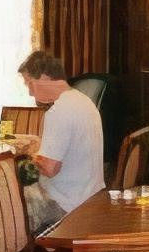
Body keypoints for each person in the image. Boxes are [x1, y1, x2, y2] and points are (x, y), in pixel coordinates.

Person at [18, 51, 103, 232]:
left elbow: (50, 168)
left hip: (65, 204)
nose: (29, 91)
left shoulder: (59, 111)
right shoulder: (84, 101)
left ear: (43, 77)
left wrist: (32, 156)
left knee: (8, 200)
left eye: (29, 83)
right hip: (89, 196)